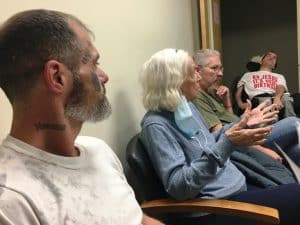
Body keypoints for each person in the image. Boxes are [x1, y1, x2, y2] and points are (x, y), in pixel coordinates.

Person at [0, 9, 163, 225]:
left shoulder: (99, 151)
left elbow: (136, 218)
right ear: (58, 77)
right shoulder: (12, 201)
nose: (104, 76)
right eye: (94, 63)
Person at [139, 48, 300, 225]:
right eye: (193, 73)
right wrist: (228, 143)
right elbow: (180, 187)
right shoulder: (156, 125)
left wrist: (242, 124)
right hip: (214, 208)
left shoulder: (185, 107)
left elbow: (210, 141)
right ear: (175, 80)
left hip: (233, 189)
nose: (198, 78)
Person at [192, 49, 300, 163]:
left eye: (220, 68)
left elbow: (232, 121)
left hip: (249, 133)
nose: (220, 73)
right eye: (214, 68)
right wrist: (262, 150)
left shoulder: (211, 93)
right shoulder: (197, 97)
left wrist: (227, 101)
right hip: (246, 142)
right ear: (197, 70)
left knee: (296, 150)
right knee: (294, 122)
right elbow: (224, 136)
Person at [235, 51, 296, 118]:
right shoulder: (248, 75)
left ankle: (292, 122)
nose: (271, 57)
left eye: (274, 57)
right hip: (258, 99)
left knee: (286, 98)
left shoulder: (279, 76)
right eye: (268, 55)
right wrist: (240, 104)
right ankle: (271, 121)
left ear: (274, 65)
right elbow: (238, 93)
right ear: (261, 61)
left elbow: (280, 86)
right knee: (265, 101)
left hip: (275, 97)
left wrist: (277, 98)